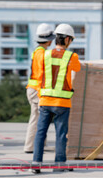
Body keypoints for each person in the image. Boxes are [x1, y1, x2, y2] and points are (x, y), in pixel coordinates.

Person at [32, 24, 81, 174]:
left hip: (45, 101)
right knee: (60, 134)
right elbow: (77, 68)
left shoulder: (45, 54)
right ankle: (59, 164)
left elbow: (40, 74)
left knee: (41, 132)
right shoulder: (72, 56)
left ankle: (36, 163)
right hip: (62, 102)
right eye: (71, 40)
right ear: (67, 39)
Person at [24, 23, 56, 153]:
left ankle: (40, 143)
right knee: (37, 119)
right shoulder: (43, 54)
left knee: (40, 117)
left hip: (33, 88)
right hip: (36, 89)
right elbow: (44, 74)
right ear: (48, 40)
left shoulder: (37, 51)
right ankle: (30, 147)